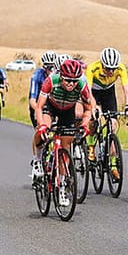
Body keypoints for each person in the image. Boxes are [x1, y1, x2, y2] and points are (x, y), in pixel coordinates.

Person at [32, 59, 94, 206]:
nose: (71, 84)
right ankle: (37, 159)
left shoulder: (81, 85)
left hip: (68, 110)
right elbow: (39, 107)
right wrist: (41, 125)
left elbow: (88, 109)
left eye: (74, 81)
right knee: (43, 129)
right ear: (61, 76)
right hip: (50, 107)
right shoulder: (51, 81)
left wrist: (85, 124)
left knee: (65, 147)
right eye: (68, 80)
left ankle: (62, 188)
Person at [85, 47, 128, 165]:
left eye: (113, 69)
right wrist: (94, 107)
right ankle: (91, 147)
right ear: (102, 64)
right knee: (93, 120)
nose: (111, 72)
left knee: (113, 125)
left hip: (108, 93)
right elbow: (88, 92)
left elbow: (126, 89)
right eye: (108, 68)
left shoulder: (121, 68)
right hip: (93, 93)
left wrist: (127, 105)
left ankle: (113, 163)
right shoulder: (93, 68)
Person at [28, 51, 57, 127]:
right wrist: (37, 110)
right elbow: (32, 100)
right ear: (44, 67)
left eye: (54, 67)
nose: (52, 70)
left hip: (53, 103)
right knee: (41, 129)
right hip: (38, 102)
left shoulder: (58, 75)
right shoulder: (37, 75)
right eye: (49, 67)